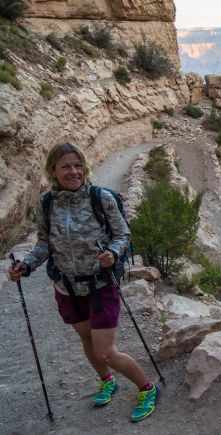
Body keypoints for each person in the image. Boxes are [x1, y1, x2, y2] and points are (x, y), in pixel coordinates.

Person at [6, 143, 158, 423]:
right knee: (86, 338)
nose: (73, 171)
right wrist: (25, 266)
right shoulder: (47, 203)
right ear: (53, 170)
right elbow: (44, 244)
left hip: (101, 284)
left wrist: (112, 254)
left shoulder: (101, 198)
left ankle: (147, 389)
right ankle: (106, 381)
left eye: (78, 165)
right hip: (67, 286)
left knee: (106, 350)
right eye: (66, 166)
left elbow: (122, 234)